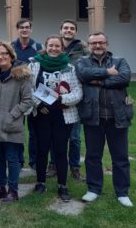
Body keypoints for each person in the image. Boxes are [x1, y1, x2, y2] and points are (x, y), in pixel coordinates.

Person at [76, 32, 134, 208]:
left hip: (118, 116)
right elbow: (83, 75)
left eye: (101, 42)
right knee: (93, 156)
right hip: (93, 116)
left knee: (120, 157)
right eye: (94, 43)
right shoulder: (82, 61)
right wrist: (108, 73)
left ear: (107, 44)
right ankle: (93, 189)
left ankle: (122, 193)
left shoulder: (120, 60)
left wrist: (99, 81)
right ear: (89, 45)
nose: (97, 46)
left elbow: (125, 78)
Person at [28, 35, 83, 202]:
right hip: (41, 115)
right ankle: (40, 182)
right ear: (45, 46)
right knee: (42, 150)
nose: (54, 48)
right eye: (50, 45)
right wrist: (38, 104)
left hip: (63, 116)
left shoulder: (69, 67)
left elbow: (77, 91)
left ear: (62, 48)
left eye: (57, 46)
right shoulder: (34, 65)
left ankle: (62, 185)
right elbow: (27, 88)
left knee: (60, 151)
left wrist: (61, 99)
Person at [0, 41, 33, 203]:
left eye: (4, 53)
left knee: (12, 159)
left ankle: (13, 191)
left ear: (11, 55)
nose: (1, 56)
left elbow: (27, 100)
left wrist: (12, 115)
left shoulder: (21, 75)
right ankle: (0, 188)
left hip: (12, 124)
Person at [46, 19, 90, 181]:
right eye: (65, 28)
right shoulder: (55, 48)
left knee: (75, 137)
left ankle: (75, 167)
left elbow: (89, 68)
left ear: (75, 31)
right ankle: (53, 165)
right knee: (53, 135)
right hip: (54, 99)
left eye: (72, 28)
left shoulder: (83, 49)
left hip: (74, 98)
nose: (68, 30)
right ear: (61, 30)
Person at [11, 18, 42, 170]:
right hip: (15, 93)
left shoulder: (38, 47)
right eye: (21, 27)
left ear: (31, 29)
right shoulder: (11, 46)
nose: (24, 30)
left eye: (27, 27)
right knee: (17, 128)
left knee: (34, 130)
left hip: (33, 93)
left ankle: (34, 161)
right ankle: (18, 159)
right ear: (17, 30)